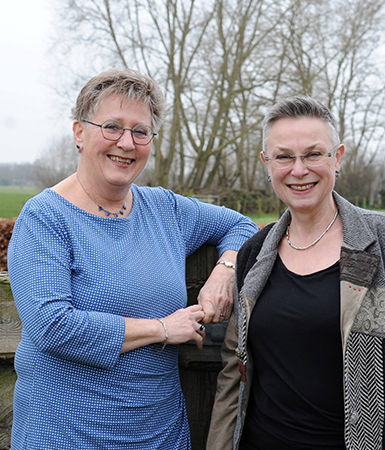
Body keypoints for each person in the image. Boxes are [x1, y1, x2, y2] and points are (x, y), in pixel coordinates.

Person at [7, 68, 257, 449]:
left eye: (140, 132)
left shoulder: (165, 210)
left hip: (159, 434)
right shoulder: (45, 218)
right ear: (79, 132)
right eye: (111, 127)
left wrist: (225, 270)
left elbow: (241, 225)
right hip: (66, 435)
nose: (127, 143)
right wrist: (161, 328)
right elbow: (51, 326)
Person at [207, 95, 385, 450]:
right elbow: (233, 374)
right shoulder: (255, 254)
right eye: (284, 156)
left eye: (314, 154)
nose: (299, 169)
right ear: (267, 163)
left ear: (338, 157)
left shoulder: (384, 241)